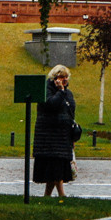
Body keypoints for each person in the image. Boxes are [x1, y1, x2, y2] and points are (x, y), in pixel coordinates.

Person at [34, 63, 79, 197]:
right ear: (55, 78)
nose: (64, 80)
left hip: (63, 136)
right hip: (49, 137)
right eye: (61, 77)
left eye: (66, 77)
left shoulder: (67, 93)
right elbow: (51, 104)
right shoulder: (46, 90)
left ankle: (50, 195)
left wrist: (72, 135)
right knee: (54, 167)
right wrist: (60, 91)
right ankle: (61, 194)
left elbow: (71, 110)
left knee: (58, 166)